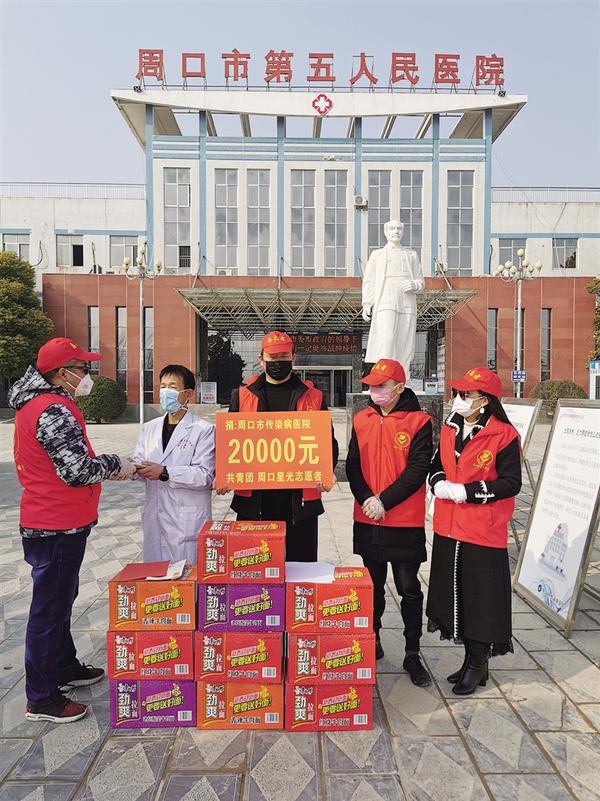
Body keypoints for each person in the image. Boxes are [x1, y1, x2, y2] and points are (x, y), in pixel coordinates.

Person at [9, 337, 136, 724]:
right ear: (62, 373)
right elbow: (77, 470)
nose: (87, 375)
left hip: (54, 521)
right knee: (49, 611)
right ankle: (42, 698)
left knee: (60, 600)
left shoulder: (40, 404)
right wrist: (117, 463)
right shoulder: (52, 409)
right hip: (56, 525)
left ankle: (64, 666)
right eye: (83, 368)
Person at [426, 367, 522, 695]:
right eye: (458, 393)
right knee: (457, 595)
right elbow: (437, 463)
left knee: (481, 597)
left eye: (466, 394)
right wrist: (438, 483)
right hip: (449, 525)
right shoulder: (451, 426)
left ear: (485, 400)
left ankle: (479, 662)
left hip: (482, 528)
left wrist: (468, 491)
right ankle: (470, 659)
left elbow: (511, 483)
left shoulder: (503, 435)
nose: (459, 398)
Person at [346, 359, 433, 686]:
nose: (375, 391)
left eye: (381, 385)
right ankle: (373, 639)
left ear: (399, 387)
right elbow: (353, 465)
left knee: (409, 587)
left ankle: (412, 652)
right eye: (371, 385)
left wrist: (385, 501)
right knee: (372, 586)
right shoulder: (361, 419)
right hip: (368, 516)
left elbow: (418, 469)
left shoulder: (419, 422)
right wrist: (367, 499)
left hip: (403, 520)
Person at [216, 331, 338, 562]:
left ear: (293, 357)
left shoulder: (313, 397)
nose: (278, 362)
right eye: (272, 357)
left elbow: (328, 442)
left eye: (284, 356)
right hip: (254, 503)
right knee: (253, 570)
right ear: (261, 359)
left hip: (299, 504)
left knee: (300, 573)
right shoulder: (241, 396)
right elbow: (228, 444)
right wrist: (222, 474)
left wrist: (325, 472)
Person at [133, 364, 215, 564]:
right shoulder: (148, 428)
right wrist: (132, 469)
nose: (165, 392)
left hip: (186, 517)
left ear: (188, 394)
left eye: (172, 387)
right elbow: (139, 461)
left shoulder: (203, 429)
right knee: (156, 572)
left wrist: (165, 472)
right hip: (156, 513)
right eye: (162, 386)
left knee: (187, 573)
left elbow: (205, 475)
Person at [362, 219, 424, 372]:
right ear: (386, 232)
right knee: (387, 338)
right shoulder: (377, 255)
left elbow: (420, 281)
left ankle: (402, 377)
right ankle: (385, 375)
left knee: (404, 342)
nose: (396, 231)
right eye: (392, 229)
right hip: (386, 299)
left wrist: (414, 284)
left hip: (406, 300)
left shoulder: (411, 255)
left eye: (399, 229)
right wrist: (367, 303)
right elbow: (369, 280)